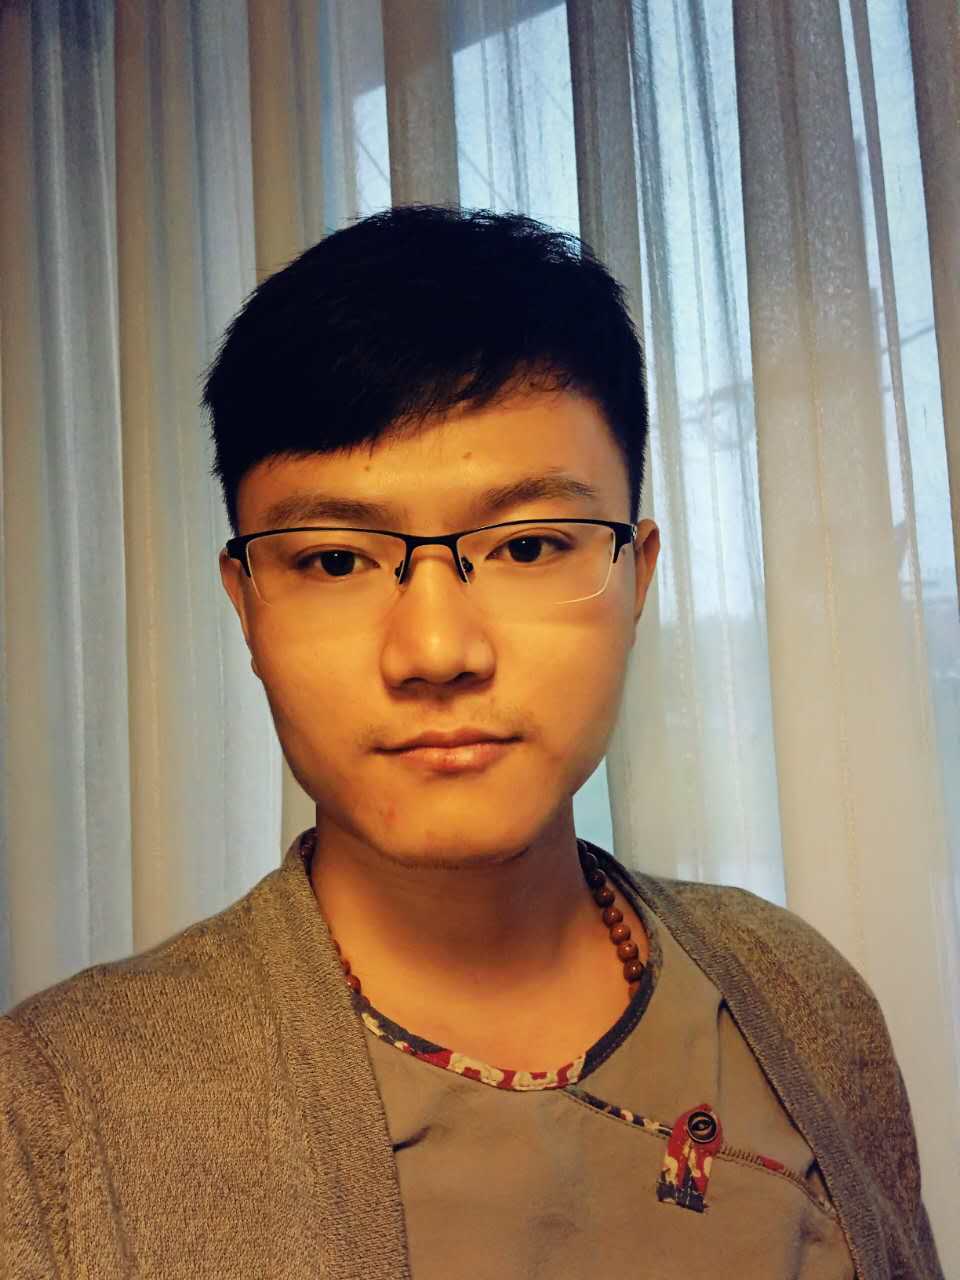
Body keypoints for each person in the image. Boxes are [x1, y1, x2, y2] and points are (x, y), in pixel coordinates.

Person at [1, 205, 943, 1279]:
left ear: (636, 577)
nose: (437, 649)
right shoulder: (53, 1117)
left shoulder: (805, 1000)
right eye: (336, 560)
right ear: (248, 603)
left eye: (529, 545)